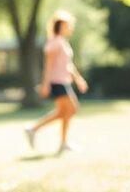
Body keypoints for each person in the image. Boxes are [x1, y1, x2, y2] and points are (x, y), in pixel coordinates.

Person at [23, 11, 88, 154]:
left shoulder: (63, 42)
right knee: (71, 109)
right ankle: (35, 129)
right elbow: (49, 65)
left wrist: (78, 79)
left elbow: (68, 65)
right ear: (60, 26)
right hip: (56, 82)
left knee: (65, 111)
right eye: (68, 25)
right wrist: (45, 84)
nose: (70, 27)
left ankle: (39, 132)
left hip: (64, 81)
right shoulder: (54, 43)